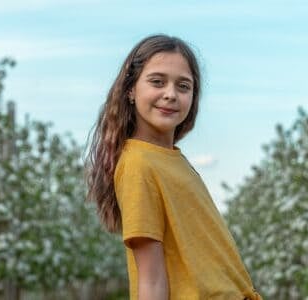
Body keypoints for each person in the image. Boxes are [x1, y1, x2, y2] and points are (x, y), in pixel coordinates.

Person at [84, 34, 262, 300]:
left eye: (183, 86)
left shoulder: (172, 159)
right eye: (157, 82)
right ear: (130, 90)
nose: (170, 94)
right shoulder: (138, 164)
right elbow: (151, 280)